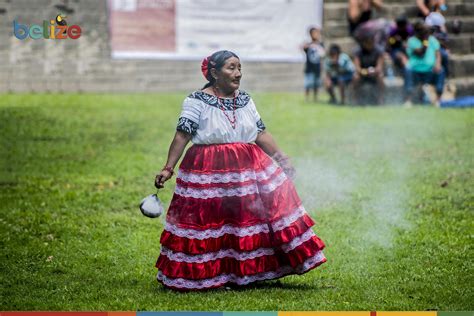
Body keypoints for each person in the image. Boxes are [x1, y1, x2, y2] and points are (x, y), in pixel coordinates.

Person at [153, 50, 327, 291]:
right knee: (214, 223)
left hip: (247, 169)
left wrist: (282, 159)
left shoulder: (245, 100)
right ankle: (210, 275)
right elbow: (182, 134)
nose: (238, 73)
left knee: (245, 221)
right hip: (208, 170)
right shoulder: (195, 100)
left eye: (239, 68)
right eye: (231, 68)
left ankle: (247, 273)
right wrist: (168, 168)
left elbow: (261, 133)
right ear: (214, 73)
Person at [403, 22, 445, 107]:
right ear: (417, 32)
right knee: (408, 69)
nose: (426, 33)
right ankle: (408, 101)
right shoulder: (411, 41)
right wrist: (425, 41)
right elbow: (420, 52)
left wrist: (438, 63)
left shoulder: (432, 40)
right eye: (424, 31)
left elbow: (438, 54)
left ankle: (438, 101)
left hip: (430, 70)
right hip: (415, 70)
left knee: (441, 70)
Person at [353, 36, 385, 105]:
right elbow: (357, 67)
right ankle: (356, 99)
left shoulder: (379, 51)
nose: (369, 44)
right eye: (367, 42)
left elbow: (379, 67)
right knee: (356, 77)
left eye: (371, 42)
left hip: (374, 75)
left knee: (381, 76)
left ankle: (381, 99)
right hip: (362, 75)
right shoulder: (358, 51)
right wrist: (364, 71)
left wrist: (374, 71)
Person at [302, 27, 325, 102]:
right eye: (314, 33)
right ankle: (307, 98)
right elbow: (303, 47)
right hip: (309, 68)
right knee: (308, 84)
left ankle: (315, 98)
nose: (316, 35)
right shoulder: (308, 44)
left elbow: (323, 54)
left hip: (317, 68)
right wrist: (309, 45)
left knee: (316, 84)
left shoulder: (320, 44)